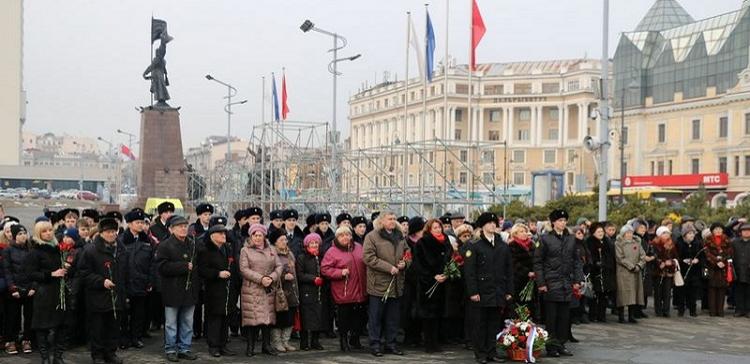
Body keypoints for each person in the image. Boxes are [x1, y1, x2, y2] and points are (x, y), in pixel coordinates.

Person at [464, 212, 513, 364]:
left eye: (494, 223)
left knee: (494, 323)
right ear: (483, 225)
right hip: (482, 290)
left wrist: (509, 291)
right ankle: (480, 353)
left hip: (498, 290)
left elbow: (508, 270)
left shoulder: (502, 246)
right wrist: (473, 292)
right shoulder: (475, 246)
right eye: (489, 223)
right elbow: (470, 272)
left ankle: (492, 352)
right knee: (480, 323)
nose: (493, 225)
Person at [534, 209, 583, 358]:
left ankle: (561, 345)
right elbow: (538, 262)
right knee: (551, 318)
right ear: (553, 222)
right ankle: (551, 347)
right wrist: (541, 282)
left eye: (564, 220)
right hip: (551, 283)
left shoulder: (571, 239)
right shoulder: (544, 239)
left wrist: (577, 280)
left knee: (564, 317)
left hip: (566, 283)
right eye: (560, 220)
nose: (563, 223)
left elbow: (576, 261)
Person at [78, 218, 126, 364]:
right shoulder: (91, 250)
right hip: (97, 296)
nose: (112, 234)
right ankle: (97, 355)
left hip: (116, 296)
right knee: (97, 328)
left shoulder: (121, 249)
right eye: (108, 232)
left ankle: (110, 352)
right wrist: (101, 281)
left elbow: (125, 271)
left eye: (114, 231)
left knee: (113, 326)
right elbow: (83, 273)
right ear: (101, 233)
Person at [362, 211, 409, 357]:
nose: (393, 221)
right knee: (376, 317)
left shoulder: (400, 236)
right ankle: (375, 344)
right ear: (382, 221)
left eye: (395, 219)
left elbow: (408, 252)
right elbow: (368, 258)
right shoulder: (372, 236)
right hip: (379, 284)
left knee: (393, 317)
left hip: (396, 284)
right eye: (390, 219)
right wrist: (389, 268)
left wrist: (405, 263)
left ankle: (391, 344)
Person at [156, 215, 200, 362]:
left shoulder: (193, 244)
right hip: (172, 290)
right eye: (179, 226)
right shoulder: (165, 245)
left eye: (185, 226)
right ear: (171, 229)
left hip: (189, 290)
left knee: (187, 322)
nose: (183, 228)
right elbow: (162, 267)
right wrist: (183, 267)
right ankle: (170, 349)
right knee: (171, 323)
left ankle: (184, 348)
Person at [27, 220, 69, 364]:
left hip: (59, 292)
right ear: (38, 233)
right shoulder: (35, 251)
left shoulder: (58, 249)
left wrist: (66, 267)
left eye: (50, 230)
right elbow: (30, 274)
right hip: (44, 293)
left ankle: (58, 357)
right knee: (42, 326)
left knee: (61, 325)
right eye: (44, 231)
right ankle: (45, 358)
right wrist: (51, 274)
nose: (48, 233)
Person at [239, 223, 283, 357]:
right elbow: (244, 269)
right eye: (255, 235)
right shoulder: (245, 250)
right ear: (251, 236)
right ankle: (250, 347)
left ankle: (266, 345)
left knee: (267, 319)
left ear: (264, 236)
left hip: (268, 288)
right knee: (253, 320)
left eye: (260, 235)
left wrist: (271, 277)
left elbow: (279, 266)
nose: (258, 238)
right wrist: (261, 279)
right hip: (252, 289)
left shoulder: (271, 249)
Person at [321, 227, 368, 352]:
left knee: (359, 317)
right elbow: (325, 269)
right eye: (341, 235)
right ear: (337, 238)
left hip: (360, 289)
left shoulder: (358, 247)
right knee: (344, 318)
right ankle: (343, 341)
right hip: (344, 290)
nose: (345, 237)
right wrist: (340, 272)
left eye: (347, 234)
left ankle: (355, 339)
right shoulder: (332, 251)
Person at [412, 218, 453, 353]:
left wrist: (447, 273)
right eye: (434, 228)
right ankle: (429, 343)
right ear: (429, 229)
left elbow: (451, 260)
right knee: (428, 316)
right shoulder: (422, 243)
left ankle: (437, 342)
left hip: (443, 283)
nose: (438, 230)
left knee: (439, 315)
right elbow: (419, 264)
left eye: (439, 227)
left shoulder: (446, 241)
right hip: (428, 284)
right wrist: (432, 276)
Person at [196, 224, 236, 357]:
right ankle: (213, 346)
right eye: (220, 234)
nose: (224, 236)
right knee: (214, 318)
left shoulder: (227, 248)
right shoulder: (206, 250)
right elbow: (202, 270)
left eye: (224, 233)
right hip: (213, 289)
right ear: (213, 236)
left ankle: (223, 344)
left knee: (226, 317)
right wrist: (217, 274)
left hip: (227, 288)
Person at [118, 209, 153, 349]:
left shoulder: (147, 241)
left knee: (139, 313)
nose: (140, 225)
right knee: (124, 314)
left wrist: (150, 280)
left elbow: (152, 263)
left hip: (141, 282)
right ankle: (124, 338)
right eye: (137, 222)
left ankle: (136, 337)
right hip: (125, 283)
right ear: (130, 224)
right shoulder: (121, 240)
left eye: (142, 222)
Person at [3, 224, 34, 355]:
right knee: (12, 316)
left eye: (24, 233)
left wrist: (33, 287)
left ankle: (26, 339)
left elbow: (35, 270)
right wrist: (12, 288)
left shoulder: (31, 250)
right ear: (15, 236)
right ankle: (11, 341)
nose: (23, 236)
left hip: (29, 289)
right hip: (14, 289)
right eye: (20, 234)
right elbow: (7, 271)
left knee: (29, 316)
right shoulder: (8, 250)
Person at [267, 229, 299, 353]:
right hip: (279, 291)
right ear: (275, 242)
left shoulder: (290, 254)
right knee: (279, 317)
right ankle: (277, 341)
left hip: (292, 290)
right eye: (281, 240)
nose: (285, 242)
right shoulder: (272, 254)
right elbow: (269, 271)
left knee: (290, 317)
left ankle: (286, 341)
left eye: (285, 239)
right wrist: (283, 277)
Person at [296, 233, 326, 351]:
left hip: (319, 291)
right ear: (307, 245)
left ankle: (315, 341)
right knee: (306, 317)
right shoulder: (302, 257)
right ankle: (304, 342)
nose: (314, 245)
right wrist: (313, 279)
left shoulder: (321, 256)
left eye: (316, 243)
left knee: (318, 316)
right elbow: (300, 274)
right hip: (307, 291)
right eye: (311, 243)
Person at [401, 216, 425, 347]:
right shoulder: (406, 243)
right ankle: (409, 336)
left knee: (419, 309)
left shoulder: (423, 243)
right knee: (408, 309)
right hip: (409, 282)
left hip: (422, 281)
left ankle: (417, 335)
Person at [614, 225, 646, 323]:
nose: (629, 235)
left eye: (631, 233)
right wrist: (631, 266)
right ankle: (621, 316)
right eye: (627, 233)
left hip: (636, 272)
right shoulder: (618, 243)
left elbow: (643, 256)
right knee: (623, 294)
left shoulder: (637, 242)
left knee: (634, 294)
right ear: (623, 234)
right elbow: (620, 257)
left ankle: (631, 316)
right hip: (623, 273)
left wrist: (639, 266)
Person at [586, 223, 616, 322]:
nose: (601, 233)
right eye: (598, 232)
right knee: (594, 295)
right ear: (593, 232)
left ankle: (602, 315)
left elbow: (611, 256)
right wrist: (595, 263)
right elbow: (588, 257)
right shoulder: (589, 242)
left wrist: (607, 264)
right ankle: (592, 315)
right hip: (595, 272)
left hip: (606, 272)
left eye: (602, 231)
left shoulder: (607, 242)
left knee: (603, 295)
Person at [509, 223, 538, 320]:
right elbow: (514, 263)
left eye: (525, 231)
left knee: (530, 302)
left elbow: (537, 260)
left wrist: (535, 271)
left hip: (532, 280)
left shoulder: (532, 245)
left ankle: (528, 323)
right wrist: (527, 272)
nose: (525, 233)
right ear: (515, 234)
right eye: (521, 232)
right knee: (519, 302)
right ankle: (520, 323)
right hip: (518, 280)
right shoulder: (512, 246)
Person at [705, 223, 733, 317]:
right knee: (712, 290)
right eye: (716, 229)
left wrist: (723, 262)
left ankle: (720, 311)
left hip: (723, 269)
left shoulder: (727, 240)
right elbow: (706, 254)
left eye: (720, 229)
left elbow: (729, 253)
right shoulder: (707, 240)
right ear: (712, 230)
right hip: (712, 268)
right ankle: (712, 311)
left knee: (722, 290)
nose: (718, 231)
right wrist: (716, 261)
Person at [675, 225, 703, 317]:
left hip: (694, 271)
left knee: (693, 291)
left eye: (693, 233)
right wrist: (682, 261)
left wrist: (697, 260)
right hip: (682, 271)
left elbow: (702, 256)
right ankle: (681, 309)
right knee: (681, 291)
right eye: (690, 233)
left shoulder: (698, 243)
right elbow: (676, 257)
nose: (692, 235)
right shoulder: (678, 243)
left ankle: (693, 310)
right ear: (684, 235)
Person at [652, 226, 679, 317]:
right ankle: (658, 310)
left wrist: (671, 262)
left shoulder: (672, 245)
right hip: (658, 271)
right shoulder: (654, 244)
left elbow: (676, 257)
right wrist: (661, 262)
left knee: (667, 292)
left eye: (667, 233)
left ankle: (666, 310)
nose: (666, 235)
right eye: (664, 233)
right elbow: (653, 256)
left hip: (669, 271)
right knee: (658, 292)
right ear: (659, 234)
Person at [732, 223, 750, 317]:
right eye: (744, 230)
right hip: (738, 270)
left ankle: (748, 310)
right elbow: (731, 255)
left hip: (748, 271)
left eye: (748, 230)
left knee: (748, 291)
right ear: (740, 232)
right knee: (738, 291)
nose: (746, 232)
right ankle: (739, 309)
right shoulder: (734, 242)